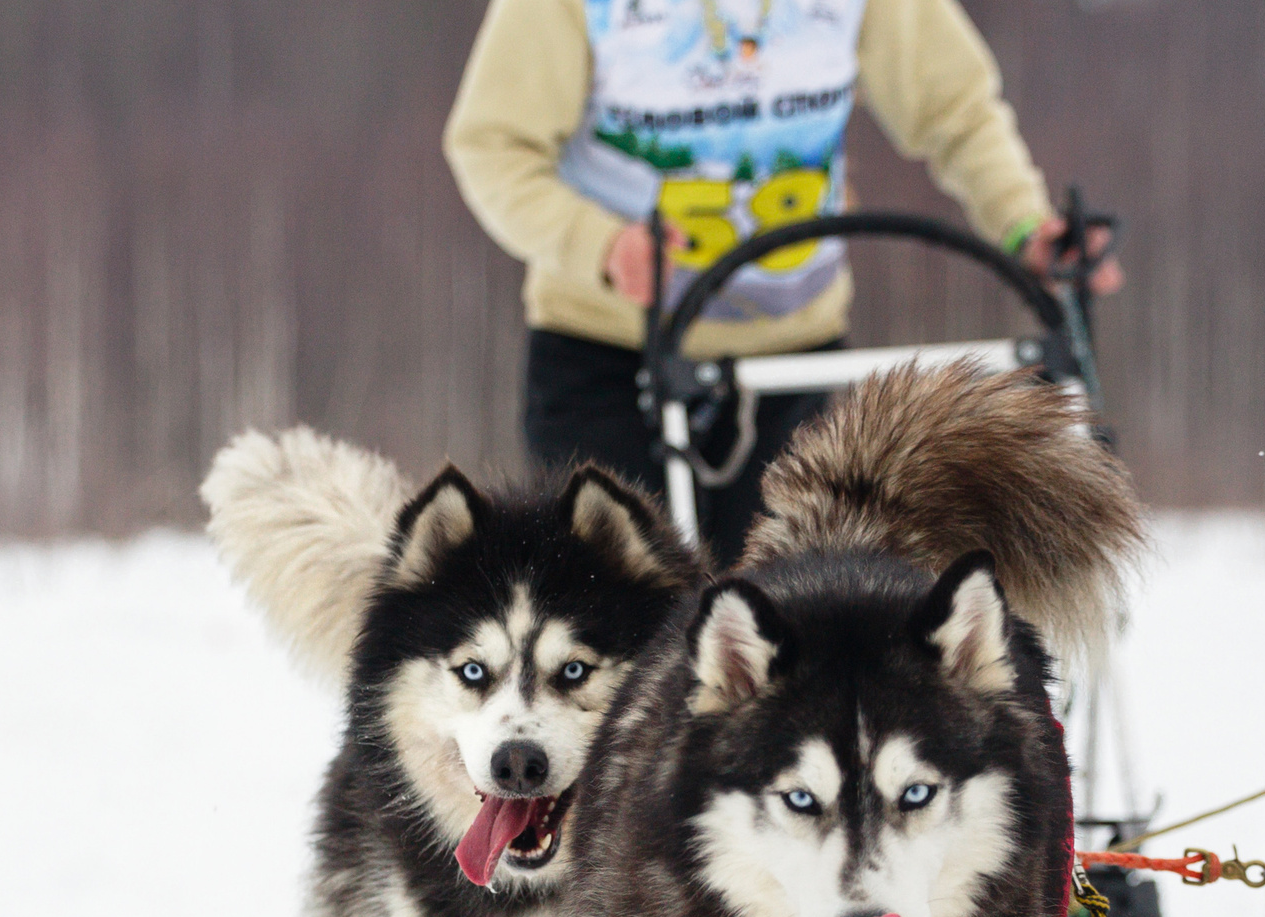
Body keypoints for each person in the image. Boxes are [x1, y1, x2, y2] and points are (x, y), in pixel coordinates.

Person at [446, 0, 1120, 566]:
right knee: (626, 636)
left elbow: (958, 110)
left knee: (780, 633)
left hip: (794, 362)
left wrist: (1022, 224)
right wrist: (598, 244)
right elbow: (491, 145)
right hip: (607, 354)